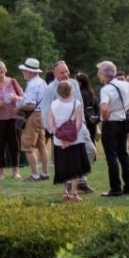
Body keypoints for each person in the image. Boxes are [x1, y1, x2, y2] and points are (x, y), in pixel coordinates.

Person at [45, 61, 94, 195]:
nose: (65, 74)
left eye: (67, 71)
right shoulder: (50, 89)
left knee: (90, 150)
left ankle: (80, 179)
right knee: (66, 159)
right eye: (62, 72)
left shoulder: (73, 84)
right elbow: (46, 113)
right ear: (55, 73)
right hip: (61, 131)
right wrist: (55, 133)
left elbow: (80, 104)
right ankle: (70, 186)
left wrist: (82, 124)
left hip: (79, 127)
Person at [97, 60, 129, 197]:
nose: (98, 75)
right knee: (123, 155)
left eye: (99, 72)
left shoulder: (106, 89)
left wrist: (104, 117)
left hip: (111, 123)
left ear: (105, 74)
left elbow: (104, 107)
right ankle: (128, 186)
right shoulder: (125, 85)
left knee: (111, 157)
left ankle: (116, 188)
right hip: (123, 122)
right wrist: (128, 104)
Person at [49, 80, 90, 203]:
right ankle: (73, 192)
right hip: (75, 140)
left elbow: (51, 123)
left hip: (58, 141)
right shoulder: (76, 104)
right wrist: (70, 138)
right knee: (75, 167)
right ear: (71, 90)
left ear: (58, 91)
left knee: (63, 165)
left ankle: (64, 191)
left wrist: (59, 136)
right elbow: (78, 123)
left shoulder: (54, 104)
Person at [18, 58, 49, 182]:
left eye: (25, 70)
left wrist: (19, 106)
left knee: (27, 145)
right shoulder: (42, 82)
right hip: (42, 114)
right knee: (41, 144)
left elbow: (30, 105)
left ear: (30, 72)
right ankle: (45, 173)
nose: (23, 72)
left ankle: (35, 174)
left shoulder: (31, 85)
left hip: (33, 115)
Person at [76, 72, 99, 144]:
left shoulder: (80, 94)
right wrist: (96, 117)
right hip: (93, 119)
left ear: (80, 83)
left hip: (85, 119)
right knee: (92, 140)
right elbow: (96, 107)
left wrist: (88, 116)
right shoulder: (91, 92)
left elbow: (81, 108)